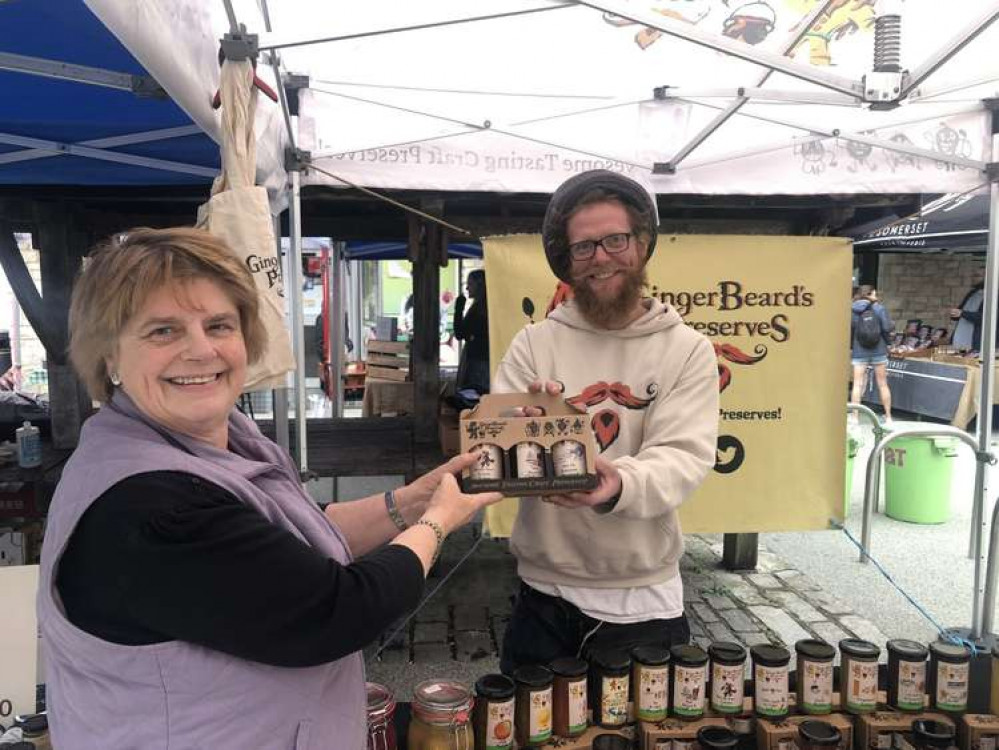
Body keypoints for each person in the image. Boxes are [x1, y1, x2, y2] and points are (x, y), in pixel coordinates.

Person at [37, 227, 502, 750]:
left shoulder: (219, 438)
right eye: (162, 331)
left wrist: (413, 500)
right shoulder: (147, 507)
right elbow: (338, 611)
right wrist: (436, 524)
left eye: (219, 325)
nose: (201, 350)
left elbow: (294, 538)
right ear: (109, 358)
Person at [492, 170, 719, 674]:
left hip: (644, 602)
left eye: (615, 240)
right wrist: (521, 430)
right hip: (541, 595)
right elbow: (497, 443)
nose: (601, 258)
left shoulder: (686, 350)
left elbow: (683, 457)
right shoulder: (535, 343)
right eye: (584, 247)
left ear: (641, 244)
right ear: (567, 262)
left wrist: (616, 482)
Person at [850, 285, 895, 422]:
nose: (877, 295)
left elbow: (850, 330)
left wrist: (852, 346)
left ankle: (855, 417)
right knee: (882, 384)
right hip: (878, 350)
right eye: (875, 293)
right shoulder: (879, 308)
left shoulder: (852, 309)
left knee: (857, 384)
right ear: (870, 294)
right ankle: (888, 417)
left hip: (859, 350)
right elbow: (887, 327)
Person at [453, 269, 490, 394]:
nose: (467, 288)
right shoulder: (480, 306)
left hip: (478, 359)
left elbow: (460, 333)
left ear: (479, 285)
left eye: (470, 284)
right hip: (480, 357)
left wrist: (458, 311)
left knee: (474, 393)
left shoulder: (480, 310)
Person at [949, 263, 986, 351]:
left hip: (976, 345)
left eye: (976, 276)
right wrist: (954, 314)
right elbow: (960, 312)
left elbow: (986, 318)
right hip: (959, 342)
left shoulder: (994, 295)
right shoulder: (972, 293)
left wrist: (962, 313)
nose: (972, 278)